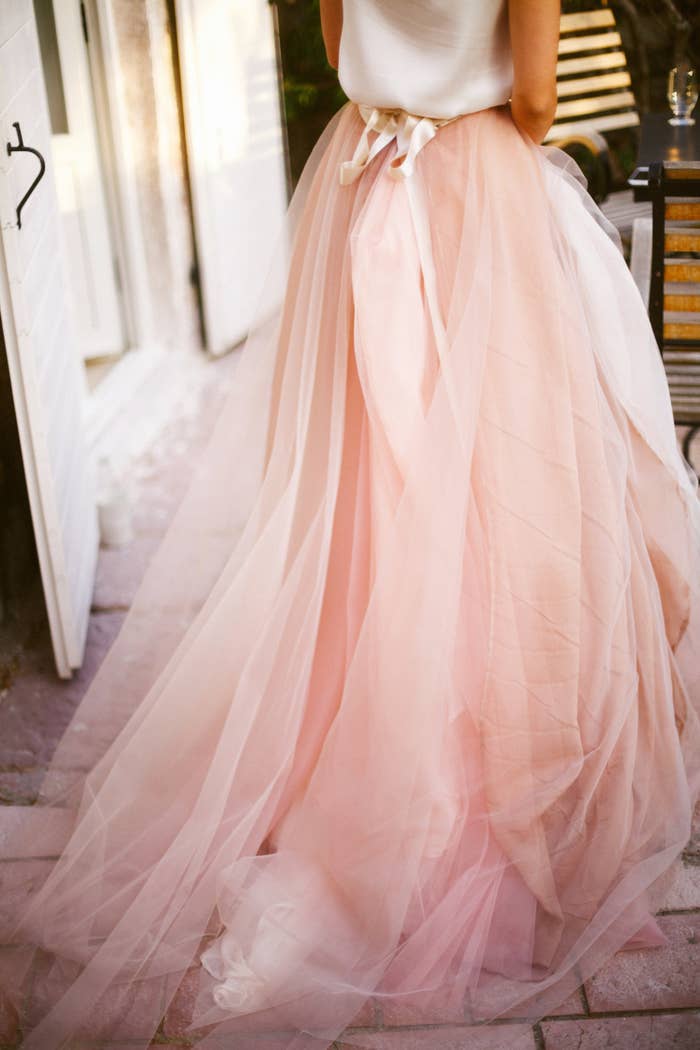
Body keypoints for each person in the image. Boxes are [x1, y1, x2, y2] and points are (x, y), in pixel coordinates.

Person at [2, 1, 699, 1047]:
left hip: (362, 176)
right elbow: (541, 97)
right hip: (478, 190)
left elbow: (338, 55)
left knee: (368, 493)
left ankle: (353, 746)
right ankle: (487, 784)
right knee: (504, 490)